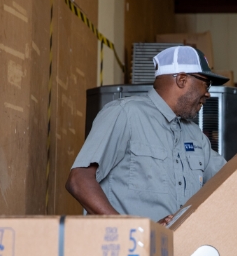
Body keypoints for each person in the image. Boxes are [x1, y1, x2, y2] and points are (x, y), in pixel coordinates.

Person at [66, 46, 228, 224]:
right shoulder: (125, 114)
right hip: (126, 249)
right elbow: (79, 180)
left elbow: (229, 180)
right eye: (206, 83)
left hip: (177, 249)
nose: (207, 93)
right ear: (182, 79)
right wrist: (132, 232)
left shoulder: (195, 135)